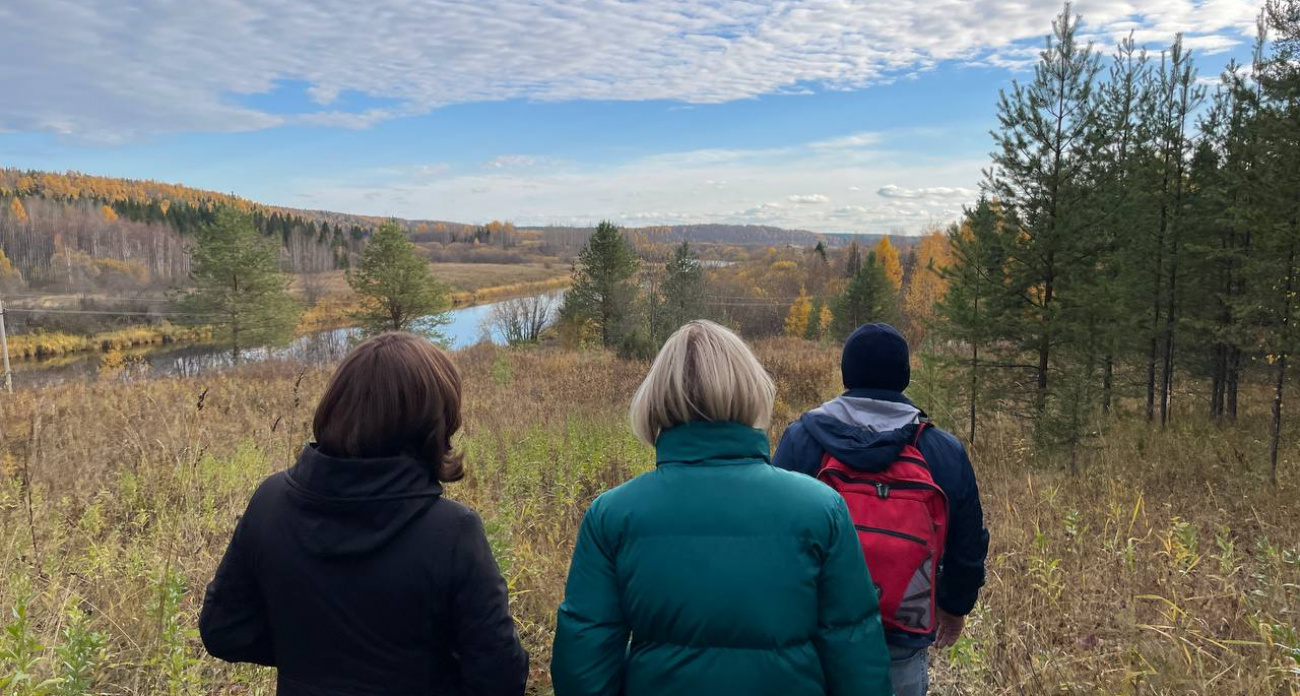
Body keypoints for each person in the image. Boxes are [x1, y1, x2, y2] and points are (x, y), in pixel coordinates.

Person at [551, 320, 892, 696]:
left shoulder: (612, 516)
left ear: (655, 399)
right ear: (752, 390)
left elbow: (584, 669)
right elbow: (856, 657)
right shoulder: (821, 509)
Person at [199, 332, 528, 696]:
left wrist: (315, 660)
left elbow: (224, 630)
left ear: (337, 404)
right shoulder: (452, 531)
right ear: (436, 422)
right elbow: (500, 677)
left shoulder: (270, 501)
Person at [774, 323, 990, 696]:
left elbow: (774, 534)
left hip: (815, 629)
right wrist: (955, 608)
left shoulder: (803, 438)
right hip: (902, 631)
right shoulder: (940, 450)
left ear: (846, 374)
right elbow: (967, 545)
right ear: (904, 376)